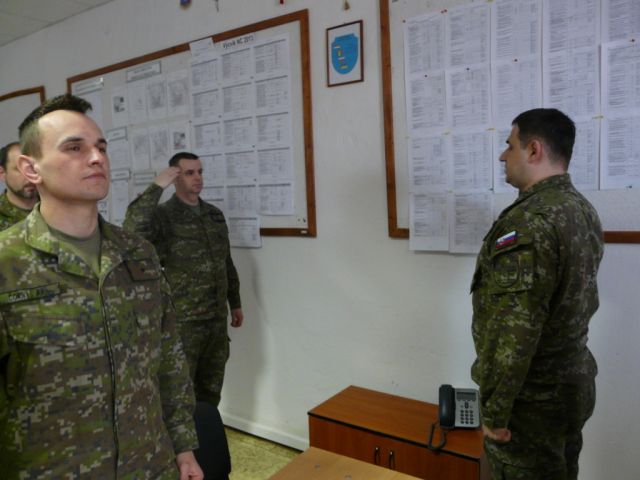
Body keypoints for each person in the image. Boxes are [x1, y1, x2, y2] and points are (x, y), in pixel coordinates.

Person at [0, 94, 203, 479]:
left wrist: (183, 446)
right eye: (74, 148)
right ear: (30, 168)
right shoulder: (7, 262)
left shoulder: (138, 253)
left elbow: (169, 359)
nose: (97, 158)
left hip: (149, 462)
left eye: (101, 147)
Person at [470, 108, 604, 480]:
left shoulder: (529, 221)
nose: (503, 156)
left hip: (532, 401)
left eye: (509, 145)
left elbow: (515, 330)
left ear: (533, 150)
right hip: (570, 387)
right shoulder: (581, 209)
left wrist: (496, 411)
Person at [124, 152, 243, 407]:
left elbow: (226, 262)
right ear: (175, 178)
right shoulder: (163, 216)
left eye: (199, 172)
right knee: (181, 393)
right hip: (185, 322)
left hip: (215, 320)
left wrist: (235, 302)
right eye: (189, 173)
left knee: (211, 391)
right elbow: (132, 229)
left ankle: (207, 432)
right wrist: (156, 187)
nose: (197, 178)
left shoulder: (213, 215)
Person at [0, 141, 37, 230]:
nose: (29, 175)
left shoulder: (58, 208)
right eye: (20, 169)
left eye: (33, 167)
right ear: (2, 173)